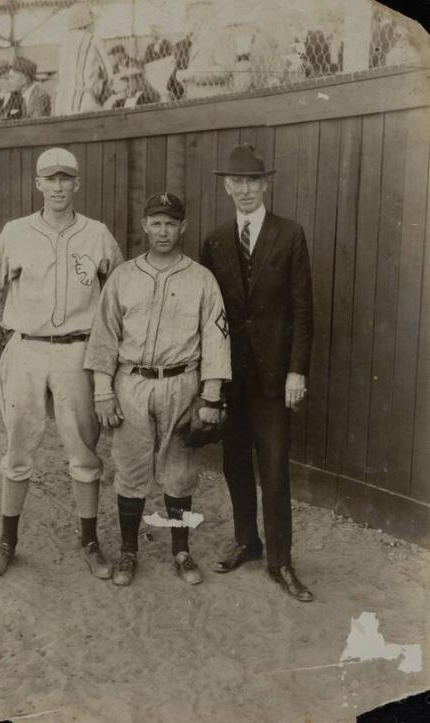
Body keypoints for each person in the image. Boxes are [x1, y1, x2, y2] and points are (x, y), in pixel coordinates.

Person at [0, 147, 123, 579]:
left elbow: (118, 293)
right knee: (19, 447)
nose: (58, 187)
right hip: (27, 350)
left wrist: (102, 343)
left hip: (78, 351)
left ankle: (90, 542)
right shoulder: (16, 231)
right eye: (50, 179)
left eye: (65, 179)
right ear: (38, 184)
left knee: (83, 449)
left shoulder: (96, 234)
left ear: (77, 183)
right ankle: (6, 543)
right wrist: (15, 326)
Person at [84, 192, 231, 587]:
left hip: (182, 383)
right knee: (131, 470)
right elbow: (104, 337)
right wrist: (102, 391)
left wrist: (211, 395)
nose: (163, 231)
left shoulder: (202, 279)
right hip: (132, 383)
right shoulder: (124, 276)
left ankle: (181, 551)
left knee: (180, 474)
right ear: (145, 225)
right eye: (156, 222)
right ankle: (129, 551)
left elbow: (215, 340)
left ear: (182, 227)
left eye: (171, 223)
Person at [201, 144, 314, 602]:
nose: (244, 190)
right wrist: (211, 378)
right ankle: (247, 540)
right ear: (226, 186)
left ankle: (281, 562)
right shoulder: (215, 240)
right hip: (231, 377)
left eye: (252, 181)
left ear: (265, 184)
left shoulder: (289, 235)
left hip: (272, 380)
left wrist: (296, 372)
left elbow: (303, 311)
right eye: (236, 182)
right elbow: (209, 315)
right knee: (234, 463)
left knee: (273, 468)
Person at [55, 2, 113, 116]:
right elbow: (109, 74)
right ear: (88, 22)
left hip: (61, 100)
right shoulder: (92, 39)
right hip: (83, 98)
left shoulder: (63, 42)